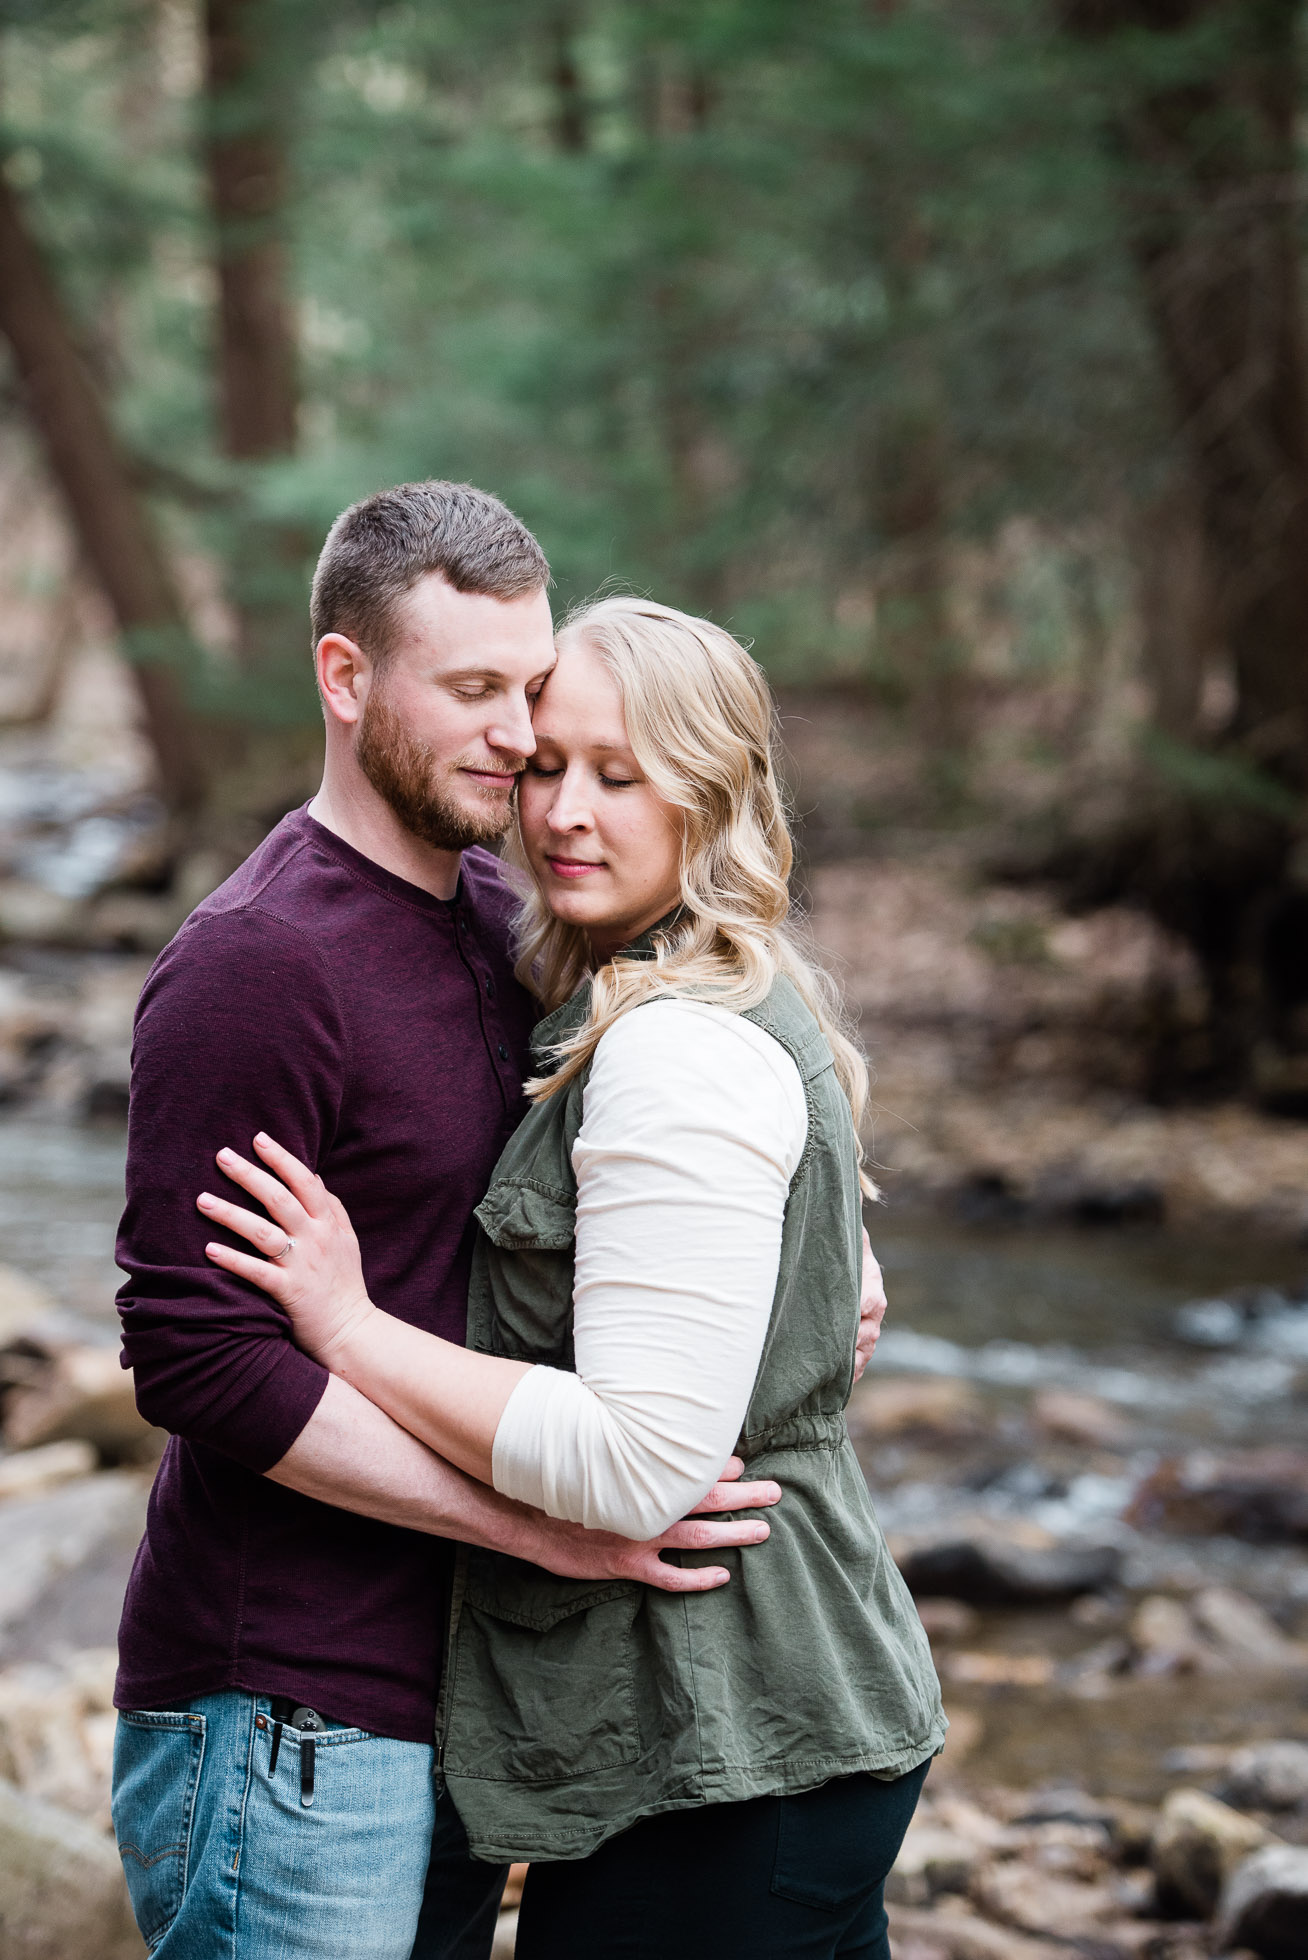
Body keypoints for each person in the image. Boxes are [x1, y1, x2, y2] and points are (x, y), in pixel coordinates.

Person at [199, 594, 946, 1960]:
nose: (564, 814)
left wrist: (349, 1325)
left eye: (622, 773)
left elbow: (637, 1468)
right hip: (767, 1737)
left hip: (733, 1750)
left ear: (710, 792)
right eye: (547, 766)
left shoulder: (674, 1045)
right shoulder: (650, 986)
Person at [111, 486, 802, 1960]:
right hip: (286, 1713)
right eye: (475, 690)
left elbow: (648, 1171)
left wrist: (821, 1266)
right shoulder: (255, 964)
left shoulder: (512, 918)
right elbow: (195, 1358)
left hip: (469, 1697)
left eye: (530, 688)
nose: (517, 736)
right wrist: (532, 1530)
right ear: (345, 681)